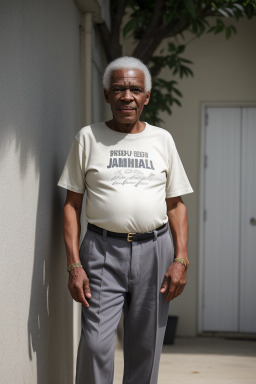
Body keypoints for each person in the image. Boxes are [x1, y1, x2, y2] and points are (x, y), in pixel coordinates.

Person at [58, 56, 193, 384]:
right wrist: (74, 265)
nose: (126, 96)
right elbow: (72, 205)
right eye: (118, 89)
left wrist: (181, 259)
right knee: (94, 345)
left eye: (135, 89)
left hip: (155, 252)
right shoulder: (88, 138)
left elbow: (175, 206)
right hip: (101, 252)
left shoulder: (162, 140)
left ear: (147, 96)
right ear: (107, 95)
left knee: (146, 349)